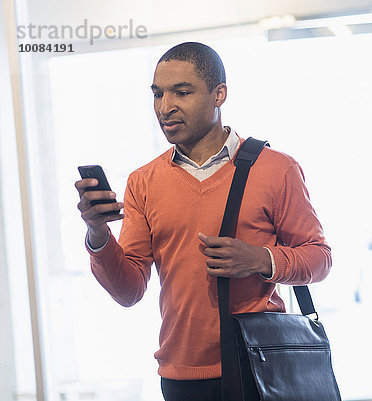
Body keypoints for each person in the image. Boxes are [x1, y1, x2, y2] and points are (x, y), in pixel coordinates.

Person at [75, 42, 332, 401]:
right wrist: (98, 233)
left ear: (219, 94)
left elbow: (319, 259)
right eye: (158, 94)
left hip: (261, 366)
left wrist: (260, 259)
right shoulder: (143, 181)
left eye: (182, 92)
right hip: (182, 377)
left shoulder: (276, 168)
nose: (165, 107)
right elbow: (129, 290)